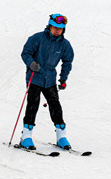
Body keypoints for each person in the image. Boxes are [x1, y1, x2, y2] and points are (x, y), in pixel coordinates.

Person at [19, 14, 75, 150]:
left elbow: (67, 61)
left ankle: (61, 136)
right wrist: (31, 63)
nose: (57, 30)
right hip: (35, 76)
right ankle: (26, 137)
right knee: (33, 104)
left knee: (55, 105)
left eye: (60, 28)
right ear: (49, 26)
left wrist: (63, 78)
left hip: (50, 79)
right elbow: (25, 53)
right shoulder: (37, 38)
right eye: (55, 27)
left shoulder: (64, 44)